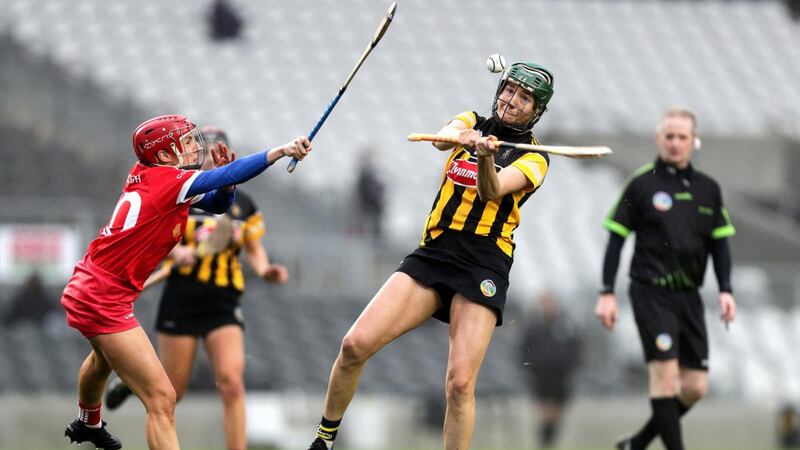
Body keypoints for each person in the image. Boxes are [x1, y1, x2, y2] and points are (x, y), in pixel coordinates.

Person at [305, 62, 555, 450]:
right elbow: (442, 139)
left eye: (524, 98)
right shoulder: (472, 119)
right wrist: (465, 138)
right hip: (435, 252)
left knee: (459, 384)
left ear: (536, 110)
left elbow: (491, 192)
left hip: (484, 263)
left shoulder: (536, 158)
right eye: (509, 90)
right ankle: (324, 438)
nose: (511, 100)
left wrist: (487, 157)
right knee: (354, 344)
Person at [60, 114, 311, 450]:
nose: (197, 147)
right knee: (162, 399)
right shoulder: (170, 182)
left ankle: (87, 422)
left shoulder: (155, 177)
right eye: (188, 142)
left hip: (92, 285)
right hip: (103, 295)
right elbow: (233, 170)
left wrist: (226, 186)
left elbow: (220, 205)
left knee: (101, 358)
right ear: (164, 155)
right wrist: (280, 151)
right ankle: (87, 421)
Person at [594, 108, 737, 450]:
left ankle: (638, 443)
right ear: (659, 139)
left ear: (694, 141)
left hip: (689, 297)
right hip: (651, 293)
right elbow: (616, 238)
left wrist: (726, 290)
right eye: (669, 136)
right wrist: (607, 292)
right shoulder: (643, 183)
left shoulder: (709, 189)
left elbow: (720, 245)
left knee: (695, 388)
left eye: (682, 137)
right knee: (665, 378)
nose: (675, 143)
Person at [518, 291, 582, 449]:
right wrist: (531, 367)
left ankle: (551, 441)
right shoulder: (534, 328)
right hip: (541, 376)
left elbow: (576, 348)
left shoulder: (567, 326)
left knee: (557, 412)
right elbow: (523, 350)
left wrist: (571, 366)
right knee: (544, 410)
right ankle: (544, 442)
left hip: (561, 377)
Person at [353, 146, 386, 241]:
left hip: (373, 210)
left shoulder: (374, 174)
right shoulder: (363, 175)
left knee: (374, 233)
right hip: (365, 210)